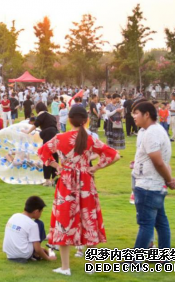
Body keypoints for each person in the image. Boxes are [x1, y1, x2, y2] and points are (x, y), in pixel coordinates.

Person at [38, 105, 120, 276]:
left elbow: (43, 151)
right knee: (88, 218)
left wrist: (56, 166)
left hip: (66, 182)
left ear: (69, 119)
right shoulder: (90, 139)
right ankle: (90, 266)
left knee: (64, 220)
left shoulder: (60, 138)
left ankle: (65, 267)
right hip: (86, 183)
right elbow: (114, 155)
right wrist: (95, 167)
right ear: (86, 120)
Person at [130, 99, 175, 252]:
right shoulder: (155, 130)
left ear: (147, 115)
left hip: (148, 185)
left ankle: (135, 260)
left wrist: (169, 180)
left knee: (146, 224)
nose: (134, 117)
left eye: (136, 114)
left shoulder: (151, 132)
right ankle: (165, 255)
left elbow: (158, 162)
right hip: (154, 184)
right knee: (161, 222)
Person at [3, 196, 56, 263]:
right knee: (39, 223)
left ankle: (33, 251)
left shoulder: (14, 216)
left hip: (9, 253)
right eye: (41, 211)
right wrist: (48, 258)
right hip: (23, 254)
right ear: (36, 211)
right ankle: (35, 255)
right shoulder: (32, 224)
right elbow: (37, 249)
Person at [22, 102, 59, 186]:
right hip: (55, 135)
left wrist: (27, 131)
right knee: (55, 155)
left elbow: (36, 124)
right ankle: (53, 178)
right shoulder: (52, 116)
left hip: (48, 135)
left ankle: (47, 180)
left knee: (47, 156)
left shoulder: (42, 114)